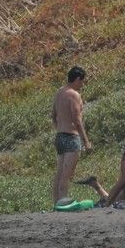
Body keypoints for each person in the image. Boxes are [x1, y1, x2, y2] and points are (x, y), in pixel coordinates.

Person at [52, 66, 90, 206]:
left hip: (60, 136)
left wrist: (60, 128)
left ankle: (56, 203)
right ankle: (63, 204)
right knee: (66, 175)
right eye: (82, 82)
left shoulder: (60, 92)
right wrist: (86, 141)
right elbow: (77, 119)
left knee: (60, 173)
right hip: (71, 137)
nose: (82, 85)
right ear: (78, 79)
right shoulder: (73, 94)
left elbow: (53, 115)